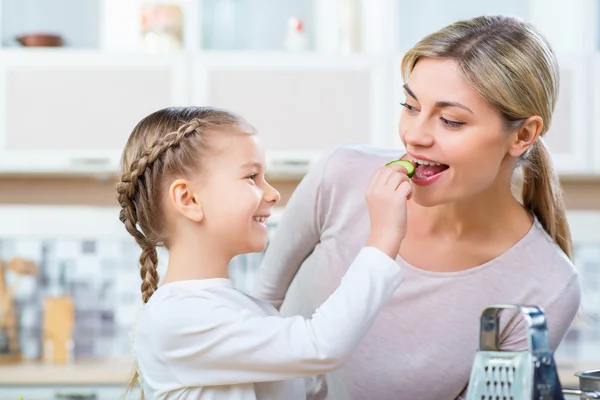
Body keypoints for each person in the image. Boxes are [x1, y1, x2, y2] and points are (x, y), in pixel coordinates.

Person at [253, 15, 582, 400]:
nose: (414, 135)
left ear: (523, 135)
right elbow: (257, 316)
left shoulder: (547, 285)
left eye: (450, 121)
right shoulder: (340, 177)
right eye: (410, 106)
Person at [116, 106, 414, 399]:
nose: (273, 194)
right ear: (189, 199)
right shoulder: (177, 317)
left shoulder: (242, 309)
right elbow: (321, 345)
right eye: (252, 177)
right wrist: (385, 236)